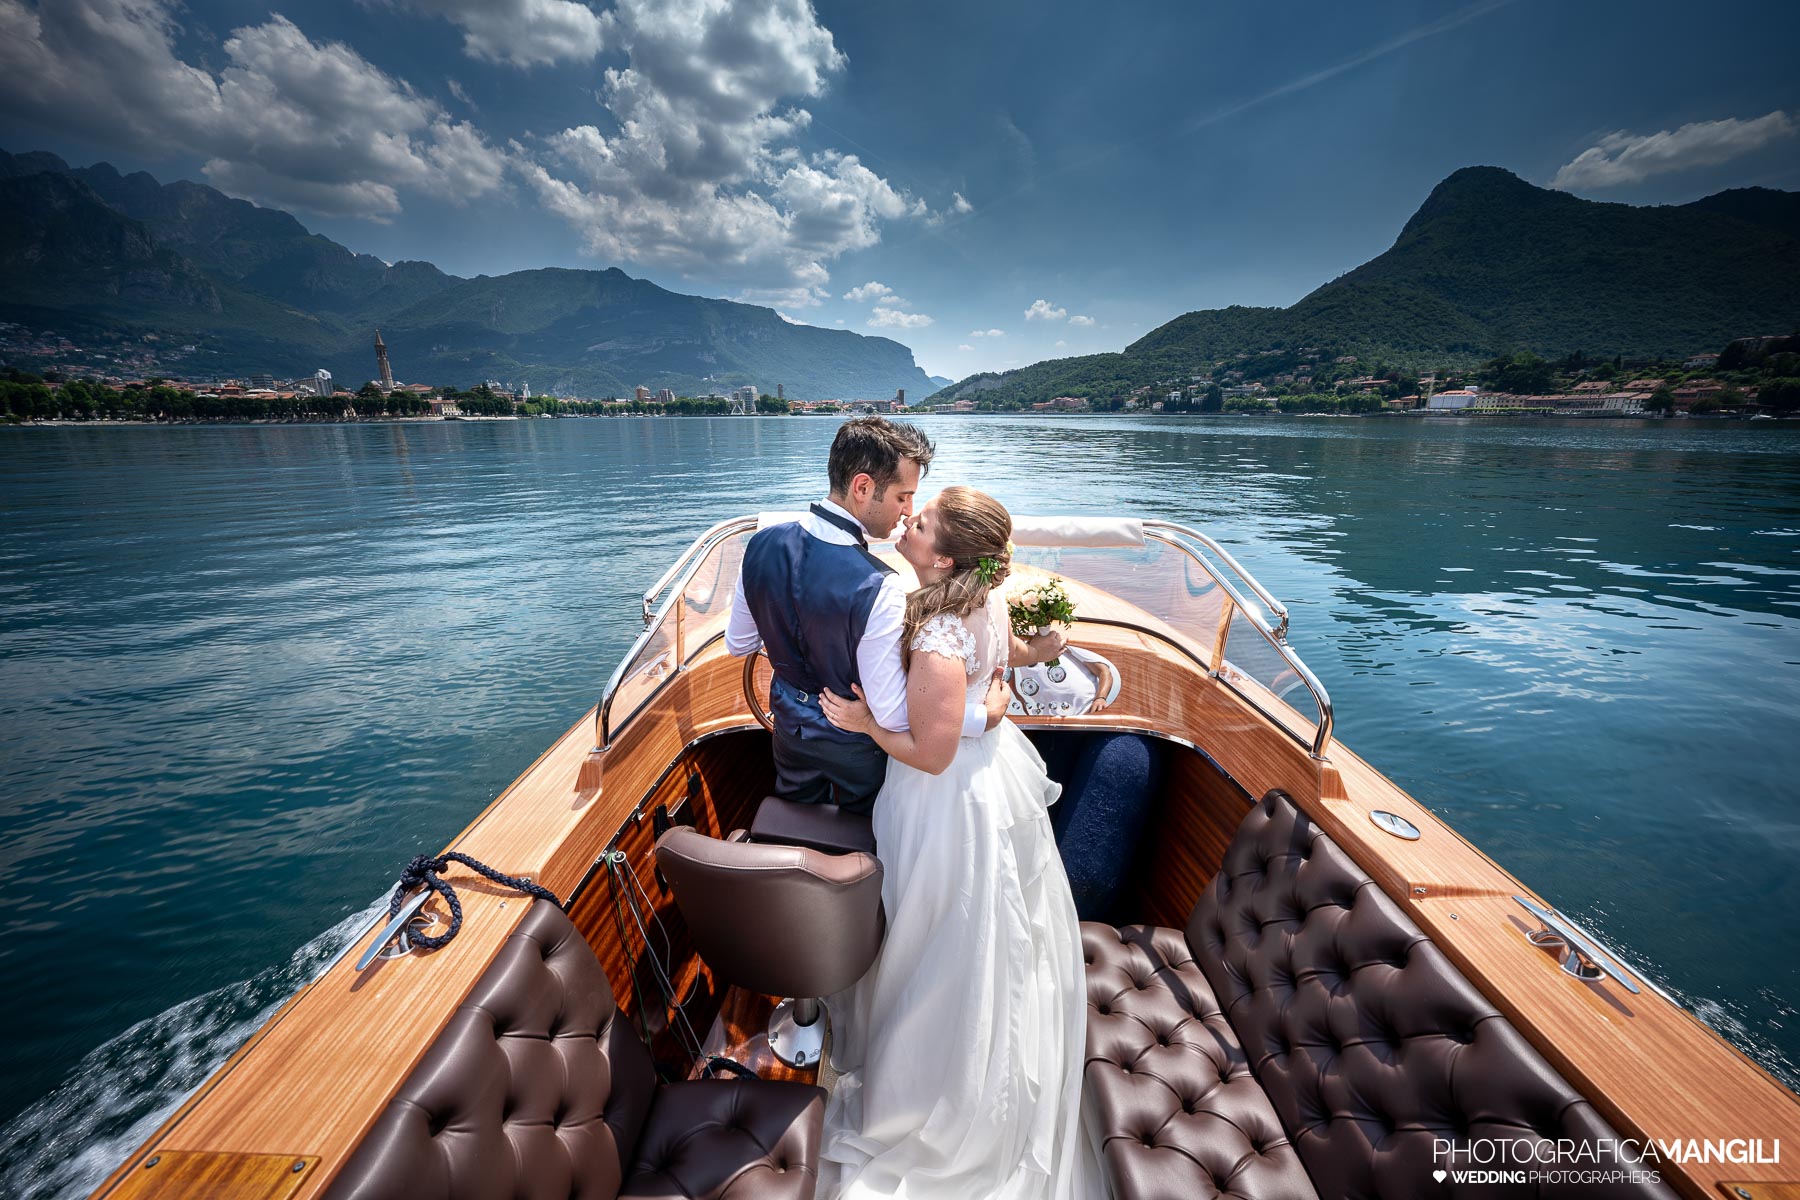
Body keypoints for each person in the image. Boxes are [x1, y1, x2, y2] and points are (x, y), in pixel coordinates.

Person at [815, 486, 1099, 1200]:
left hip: (944, 799)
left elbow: (930, 753)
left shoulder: (939, 633)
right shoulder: (984, 597)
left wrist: (863, 726)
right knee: (974, 935)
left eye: (927, 518)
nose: (911, 519)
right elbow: (1006, 655)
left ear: (943, 557)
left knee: (936, 940)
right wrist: (1030, 664)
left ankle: (937, 1090)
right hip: (991, 781)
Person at [725, 417, 1011, 813]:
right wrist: (982, 717)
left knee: (798, 817)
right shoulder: (879, 586)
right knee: (866, 837)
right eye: (902, 496)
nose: (908, 511)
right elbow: (894, 716)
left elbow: (739, 643)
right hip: (855, 749)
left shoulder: (759, 543)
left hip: (789, 729)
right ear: (863, 487)